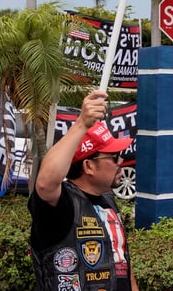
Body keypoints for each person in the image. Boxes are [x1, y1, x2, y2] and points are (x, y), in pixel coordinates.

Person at [28, 89, 138, 290]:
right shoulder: (62, 205)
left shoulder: (107, 198)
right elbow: (45, 183)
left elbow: (122, 262)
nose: (121, 161)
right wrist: (81, 124)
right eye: (114, 157)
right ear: (88, 167)